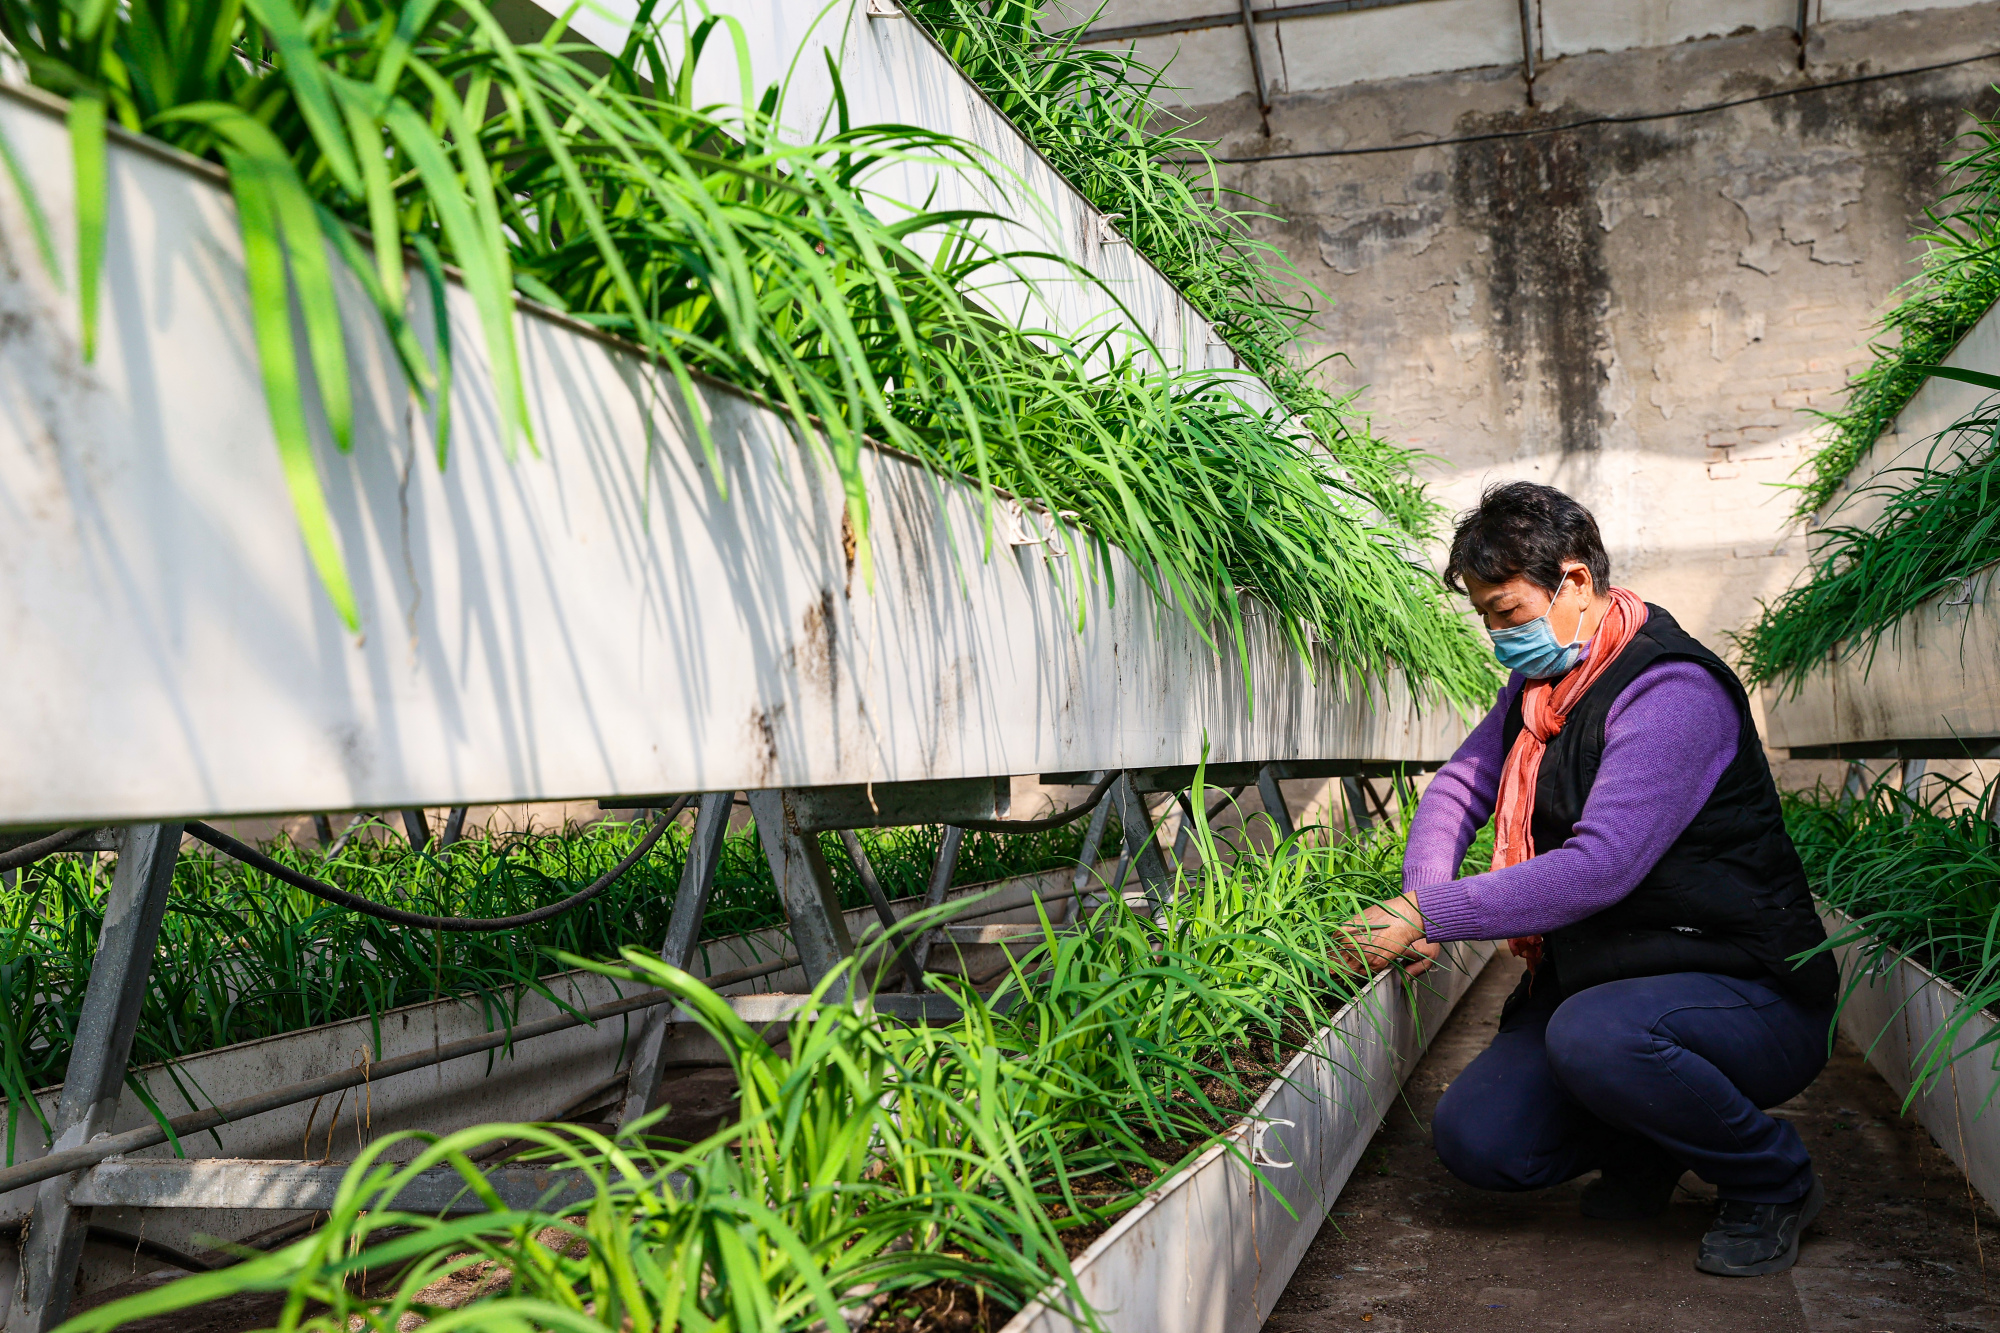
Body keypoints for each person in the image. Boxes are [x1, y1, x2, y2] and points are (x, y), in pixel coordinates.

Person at [1342, 481, 1837, 1279]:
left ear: (1573, 581)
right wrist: (1424, 887)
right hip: (1608, 978)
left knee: (1598, 1036)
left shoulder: (1672, 689)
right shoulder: (1541, 691)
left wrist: (1425, 911)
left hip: (1743, 987)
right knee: (1481, 1140)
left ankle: (1772, 1178)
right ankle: (1654, 1135)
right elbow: (1459, 789)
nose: (1499, 638)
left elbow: (1598, 868)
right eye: (1484, 618)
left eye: (1505, 613)